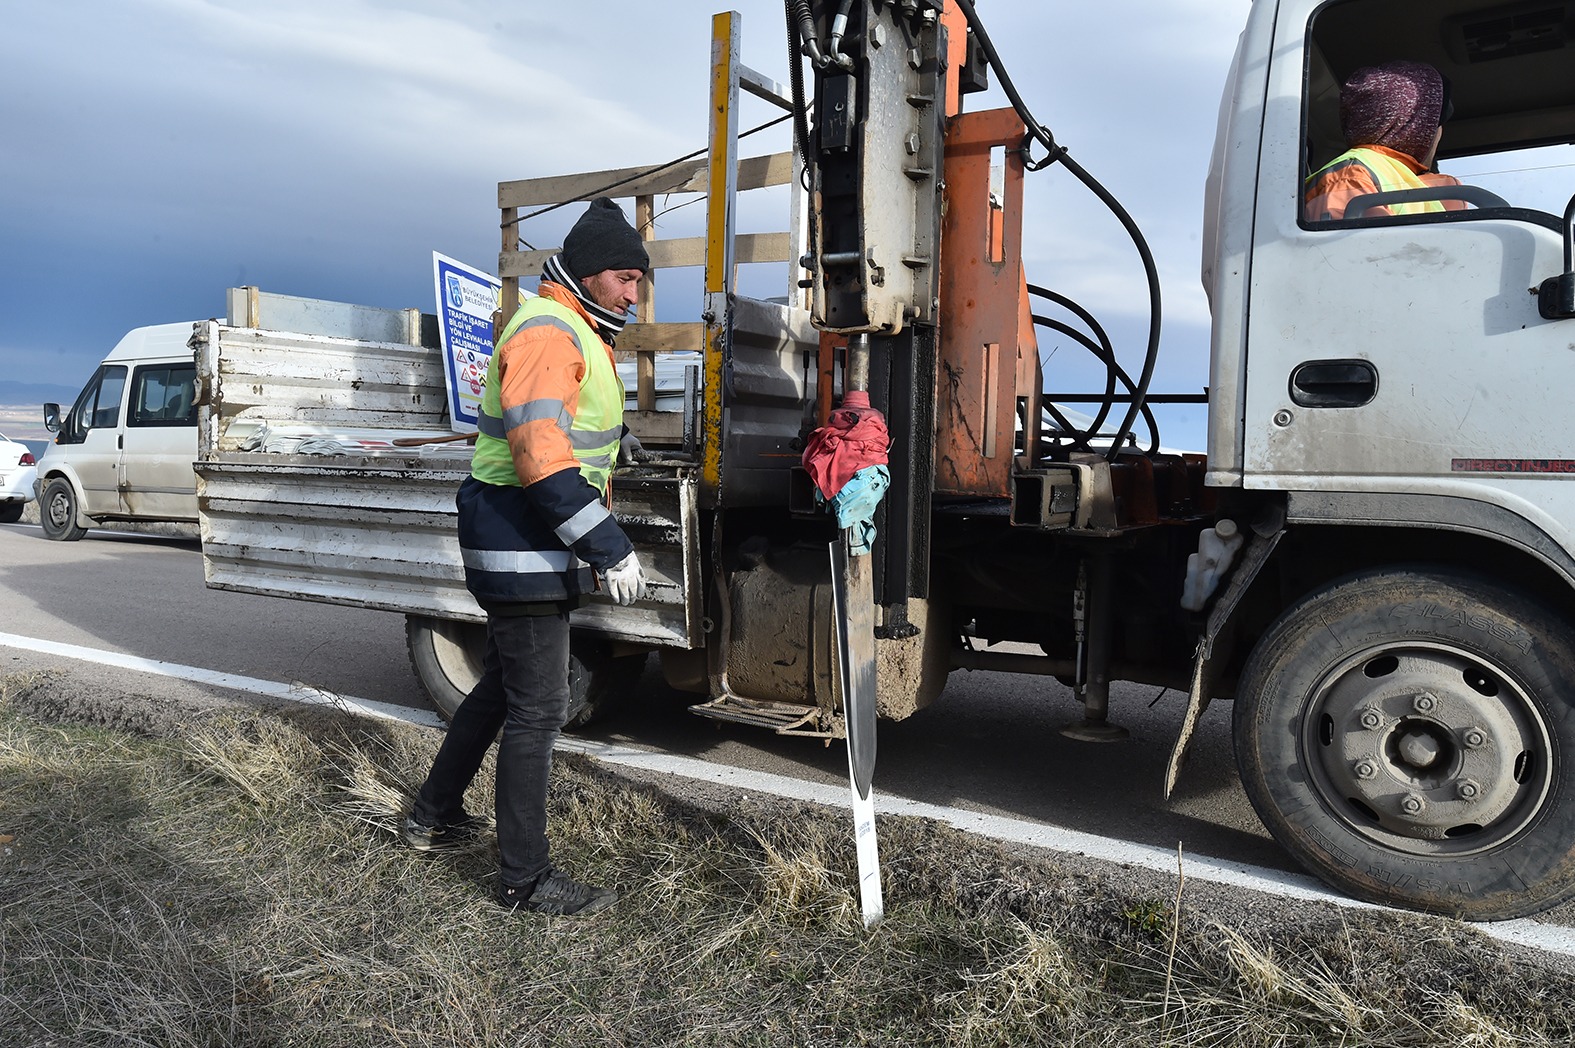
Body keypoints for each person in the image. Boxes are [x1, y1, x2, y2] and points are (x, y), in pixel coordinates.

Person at [403, 197, 649, 916]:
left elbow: (565, 413)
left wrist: (620, 433)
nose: (633, 292)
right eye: (624, 277)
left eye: (638, 280)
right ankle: (523, 880)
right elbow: (540, 453)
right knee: (541, 709)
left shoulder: (572, 327)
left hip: (522, 540)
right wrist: (608, 545)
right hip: (522, 543)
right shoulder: (548, 331)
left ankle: (432, 816)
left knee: (501, 689)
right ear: (587, 274)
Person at [1304, 60, 1466, 222]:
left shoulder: (1425, 186)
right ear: (1417, 128)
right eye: (1435, 125)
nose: (1439, 134)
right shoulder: (1350, 177)